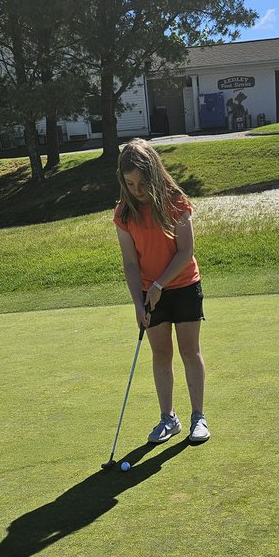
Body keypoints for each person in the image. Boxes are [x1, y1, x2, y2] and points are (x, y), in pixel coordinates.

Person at [114, 139, 209, 444]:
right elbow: (130, 263)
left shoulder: (175, 201)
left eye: (141, 182)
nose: (136, 190)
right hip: (148, 292)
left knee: (188, 351)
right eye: (129, 183)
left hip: (183, 285)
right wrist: (138, 304)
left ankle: (198, 417)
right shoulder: (124, 213)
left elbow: (185, 251)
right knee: (161, 354)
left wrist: (159, 284)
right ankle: (168, 419)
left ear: (153, 174)